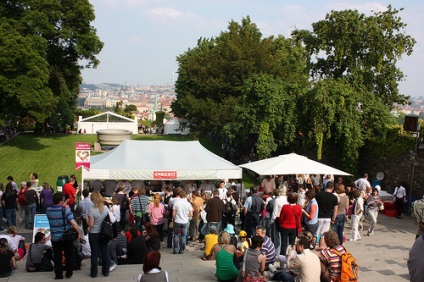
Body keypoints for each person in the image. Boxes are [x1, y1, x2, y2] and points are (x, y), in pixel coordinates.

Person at [46, 192, 82, 280]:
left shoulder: (48, 210)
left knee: (57, 257)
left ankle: (58, 274)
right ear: (60, 201)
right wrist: (79, 232)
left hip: (55, 237)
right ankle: (69, 272)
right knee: (69, 255)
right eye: (63, 200)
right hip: (66, 236)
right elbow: (73, 223)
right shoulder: (65, 210)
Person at [86, 191, 112, 278]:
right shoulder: (105, 208)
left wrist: (86, 219)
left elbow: (91, 224)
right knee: (105, 251)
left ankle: (94, 273)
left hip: (94, 233)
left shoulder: (92, 210)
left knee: (94, 253)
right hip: (104, 233)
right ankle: (106, 271)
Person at [172, 190, 193, 254]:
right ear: (185, 195)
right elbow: (191, 214)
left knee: (175, 235)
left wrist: (173, 219)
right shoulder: (188, 203)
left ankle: (175, 249)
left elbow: (173, 212)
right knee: (183, 236)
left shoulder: (176, 203)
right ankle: (181, 250)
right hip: (185, 221)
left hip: (177, 220)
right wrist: (186, 215)